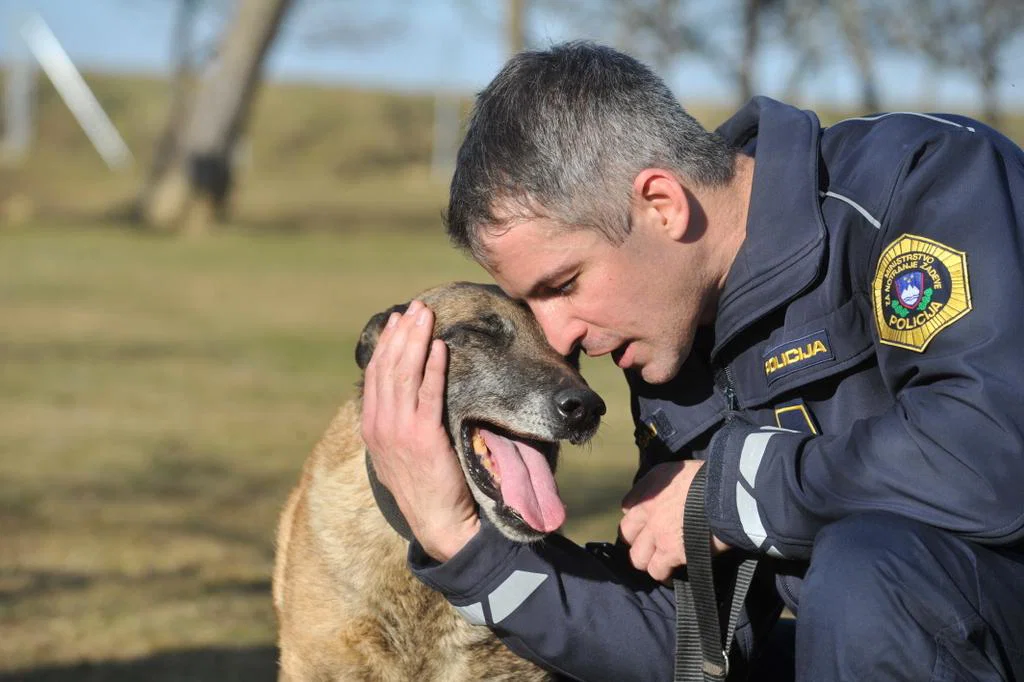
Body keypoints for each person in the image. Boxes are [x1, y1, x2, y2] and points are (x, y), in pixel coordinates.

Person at [360, 41, 1024, 681]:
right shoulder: (671, 339)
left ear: (662, 204)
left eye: (563, 284)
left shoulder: (925, 179)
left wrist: (730, 492)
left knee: (865, 573)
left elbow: (990, 456)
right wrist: (464, 545)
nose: (557, 340)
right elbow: (687, 647)